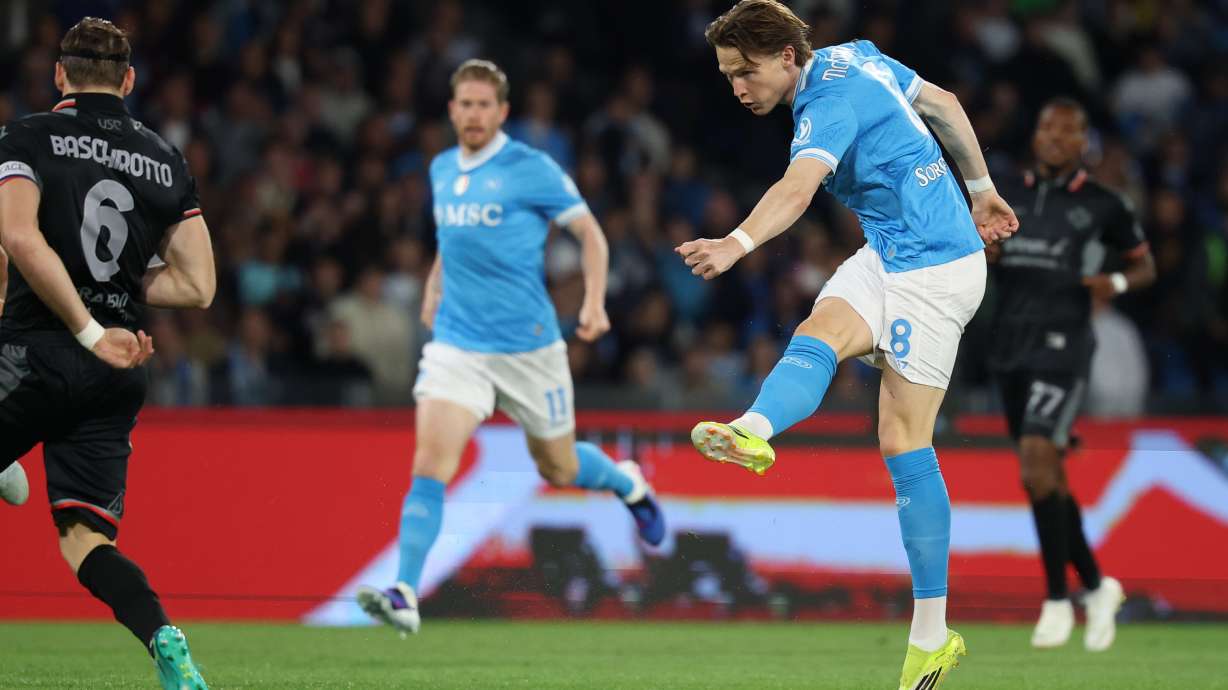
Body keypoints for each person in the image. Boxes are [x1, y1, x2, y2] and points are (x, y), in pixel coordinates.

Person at [676, 2, 1018, 688]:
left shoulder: (823, 106)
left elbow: (798, 187)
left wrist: (735, 244)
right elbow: (945, 104)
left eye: (745, 71)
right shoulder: (857, 53)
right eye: (726, 75)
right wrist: (981, 189)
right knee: (817, 332)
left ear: (785, 59)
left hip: (938, 271)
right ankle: (752, 429)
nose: (738, 86)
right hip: (890, 252)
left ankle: (931, 635)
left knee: (903, 440)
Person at [357, 59, 665, 636]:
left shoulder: (531, 168)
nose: (473, 114)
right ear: (452, 110)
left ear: (501, 112)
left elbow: (591, 234)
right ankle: (404, 592)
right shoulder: (442, 168)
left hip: (529, 350)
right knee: (430, 465)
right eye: (464, 104)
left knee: (560, 463)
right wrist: (433, 285)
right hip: (458, 346)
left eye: (483, 105)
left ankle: (628, 483)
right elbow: (455, 241)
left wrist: (595, 301)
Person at [0, 18, 214, 689]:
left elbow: (17, 236)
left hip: (38, 351)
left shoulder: (26, 136)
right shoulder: (164, 157)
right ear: (127, 80)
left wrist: (86, 324)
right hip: (115, 369)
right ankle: (164, 637)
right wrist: (112, 299)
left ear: (60, 74)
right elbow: (198, 285)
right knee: (85, 539)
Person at [990, 98, 1155, 652]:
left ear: (1084, 142)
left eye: (1068, 132)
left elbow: (1144, 263)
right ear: (1035, 136)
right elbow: (982, 252)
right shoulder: (1004, 194)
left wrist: (1119, 284)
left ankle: (1058, 599)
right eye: (1046, 128)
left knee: (1037, 462)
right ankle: (1099, 585)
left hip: (1064, 347)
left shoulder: (1105, 205)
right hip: (1009, 347)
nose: (1055, 138)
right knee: (1045, 476)